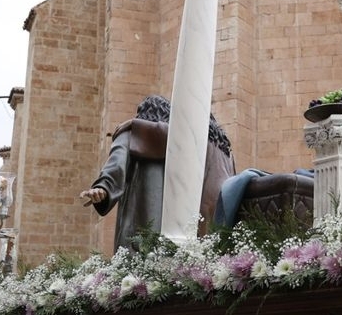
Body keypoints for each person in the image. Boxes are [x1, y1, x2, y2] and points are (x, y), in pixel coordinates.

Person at [79, 96, 235, 248]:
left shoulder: (137, 133)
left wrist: (104, 185)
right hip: (206, 214)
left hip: (146, 227)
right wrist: (103, 187)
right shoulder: (212, 146)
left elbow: (115, 163)